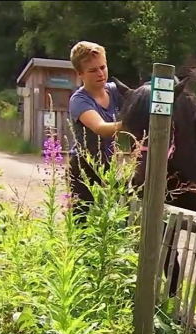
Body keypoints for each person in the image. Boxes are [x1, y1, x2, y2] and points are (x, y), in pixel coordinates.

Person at [67, 41, 124, 222]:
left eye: (103, 67)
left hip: (111, 168)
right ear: (80, 73)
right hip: (85, 169)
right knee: (82, 225)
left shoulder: (115, 92)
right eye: (92, 70)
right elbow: (101, 128)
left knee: (116, 221)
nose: (100, 74)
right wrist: (133, 122)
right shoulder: (79, 100)